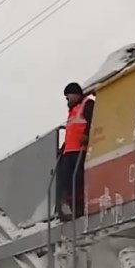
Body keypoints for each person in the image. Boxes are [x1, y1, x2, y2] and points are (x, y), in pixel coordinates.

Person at [57, 82, 95, 220]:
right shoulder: (72, 112)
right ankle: (72, 206)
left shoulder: (87, 104)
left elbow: (92, 121)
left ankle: (80, 206)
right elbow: (71, 132)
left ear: (75, 94)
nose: (66, 98)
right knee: (67, 181)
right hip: (69, 151)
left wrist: (86, 134)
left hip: (80, 150)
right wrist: (63, 148)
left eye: (68, 95)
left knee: (78, 179)